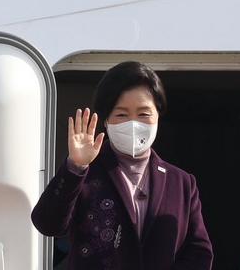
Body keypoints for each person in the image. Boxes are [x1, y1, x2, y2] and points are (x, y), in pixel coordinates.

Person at [31, 61, 213, 270]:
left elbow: (199, 250)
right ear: (106, 120)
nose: (134, 123)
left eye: (144, 114)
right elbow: (47, 223)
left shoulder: (181, 182)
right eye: (121, 115)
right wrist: (75, 166)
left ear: (158, 116)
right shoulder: (86, 173)